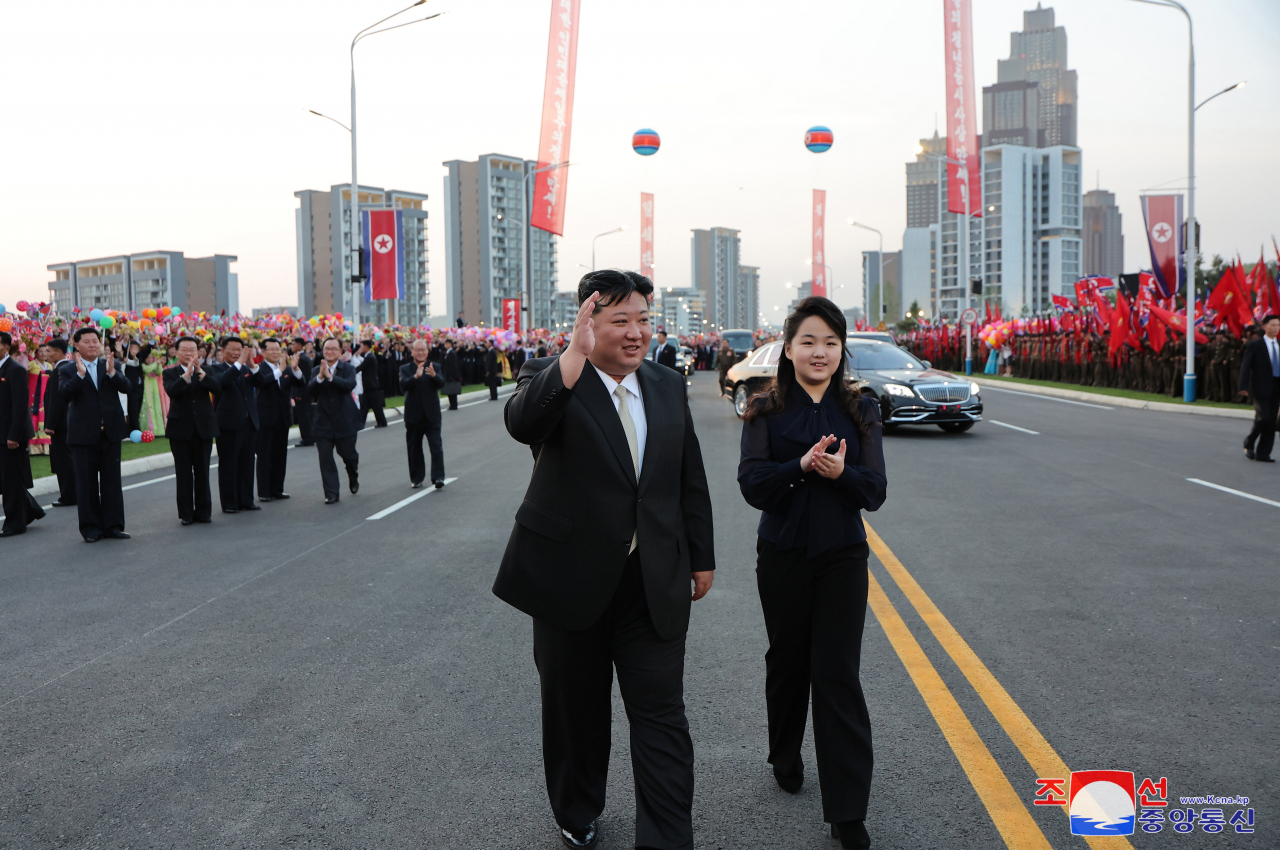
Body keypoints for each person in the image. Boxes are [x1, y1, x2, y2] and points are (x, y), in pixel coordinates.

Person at [493, 269, 716, 850]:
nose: (636, 332)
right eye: (621, 320)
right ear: (589, 323)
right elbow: (522, 423)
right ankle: (577, 809)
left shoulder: (667, 385)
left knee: (662, 721)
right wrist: (571, 359)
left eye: (643, 318)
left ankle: (666, 839)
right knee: (576, 717)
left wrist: (702, 556)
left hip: (651, 584)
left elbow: (687, 476)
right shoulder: (553, 378)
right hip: (571, 587)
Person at [737, 296, 887, 850]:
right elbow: (753, 485)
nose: (819, 352)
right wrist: (800, 468)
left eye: (830, 342)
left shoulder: (861, 408)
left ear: (841, 348)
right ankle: (784, 751)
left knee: (837, 673)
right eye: (808, 341)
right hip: (782, 554)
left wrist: (842, 474)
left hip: (843, 556)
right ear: (788, 347)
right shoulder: (764, 407)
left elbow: (874, 492)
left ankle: (847, 812)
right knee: (788, 660)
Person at [59, 327, 132, 542]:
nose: (92, 345)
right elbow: (64, 395)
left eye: (95, 341)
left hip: (110, 432)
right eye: (87, 341)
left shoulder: (111, 364)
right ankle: (91, 529)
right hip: (83, 435)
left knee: (112, 482)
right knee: (86, 483)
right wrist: (80, 375)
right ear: (77, 345)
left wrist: (112, 373)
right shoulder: (68, 369)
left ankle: (114, 526)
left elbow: (127, 387)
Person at [163, 336, 221, 525]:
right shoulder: (170, 373)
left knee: (203, 471)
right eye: (185, 350)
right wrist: (186, 375)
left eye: (193, 350)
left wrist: (200, 373)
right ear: (176, 352)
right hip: (180, 429)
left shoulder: (208, 370)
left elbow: (218, 388)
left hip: (203, 428)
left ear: (198, 352)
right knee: (184, 473)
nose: (189, 353)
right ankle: (186, 514)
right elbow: (172, 391)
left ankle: (204, 512)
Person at [211, 336, 269, 513]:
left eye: (240, 350)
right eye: (233, 349)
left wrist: (252, 364)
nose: (237, 353)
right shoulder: (215, 369)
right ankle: (229, 503)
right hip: (228, 424)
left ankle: (246, 500)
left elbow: (262, 383)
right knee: (229, 464)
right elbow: (223, 382)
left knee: (247, 463)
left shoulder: (246, 368)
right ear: (223, 351)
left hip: (249, 421)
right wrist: (240, 363)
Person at [0, 331, 45, 536]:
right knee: (8, 478)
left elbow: (20, 406)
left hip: (10, 434)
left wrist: (14, 435)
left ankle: (15, 523)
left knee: (10, 479)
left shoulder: (15, 370)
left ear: (6, 347)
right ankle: (31, 510)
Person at [309, 337, 360, 504]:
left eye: (333, 349)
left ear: (340, 352)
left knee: (349, 456)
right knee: (325, 459)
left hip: (344, 420)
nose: (329, 351)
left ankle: (353, 474)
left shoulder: (348, 368)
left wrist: (330, 377)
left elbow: (349, 385)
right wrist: (321, 378)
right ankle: (331, 493)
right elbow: (311, 390)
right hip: (323, 421)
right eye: (326, 349)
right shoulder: (317, 369)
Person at [256, 338, 302, 501]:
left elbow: (300, 383)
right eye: (272, 349)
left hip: (283, 418)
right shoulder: (258, 368)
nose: (276, 352)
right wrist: (279, 370)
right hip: (265, 418)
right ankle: (264, 491)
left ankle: (277, 488)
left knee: (280, 455)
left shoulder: (287, 369)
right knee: (264, 456)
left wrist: (295, 369)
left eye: (278, 349)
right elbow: (262, 383)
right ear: (263, 351)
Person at [400, 339, 445, 490]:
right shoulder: (405, 368)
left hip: (431, 415)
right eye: (417, 350)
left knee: (436, 447)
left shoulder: (434, 366)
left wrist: (433, 375)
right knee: (414, 449)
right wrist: (416, 377)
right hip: (413, 415)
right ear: (412, 352)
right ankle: (416, 478)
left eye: (423, 350)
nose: (420, 353)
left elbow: (441, 383)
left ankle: (438, 477)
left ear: (427, 352)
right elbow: (403, 385)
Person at [1239, 313, 1280, 462]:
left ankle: (1263, 454)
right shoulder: (1255, 345)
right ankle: (1249, 441)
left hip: (1276, 387)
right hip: (1260, 387)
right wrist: (1242, 386)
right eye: (1273, 325)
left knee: (1271, 422)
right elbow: (1246, 366)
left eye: (1278, 325)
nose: (1276, 328)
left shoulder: (1279, 344)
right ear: (1264, 326)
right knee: (1264, 417)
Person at [42, 338, 76, 508]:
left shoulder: (59, 371)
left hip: (61, 425)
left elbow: (56, 401)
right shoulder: (68, 368)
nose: (45, 354)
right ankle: (73, 493)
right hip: (69, 422)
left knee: (63, 461)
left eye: (49, 351)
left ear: (59, 352)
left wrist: (50, 424)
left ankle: (68, 495)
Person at [356, 340, 388, 428]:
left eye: (362, 346)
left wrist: (349, 371)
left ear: (366, 347)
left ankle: (382, 422)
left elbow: (360, 368)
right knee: (365, 405)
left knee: (375, 405)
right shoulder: (369, 356)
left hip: (371, 385)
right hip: (369, 385)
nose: (361, 348)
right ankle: (360, 423)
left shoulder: (370, 357)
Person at [291, 337, 315, 447]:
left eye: (294, 344)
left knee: (304, 416)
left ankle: (307, 438)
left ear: (300, 345)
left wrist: (299, 393)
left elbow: (304, 378)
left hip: (303, 393)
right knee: (304, 415)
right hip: (304, 392)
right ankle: (308, 436)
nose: (292, 345)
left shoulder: (302, 359)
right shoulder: (302, 357)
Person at [441, 339, 462, 410]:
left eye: (447, 344)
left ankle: (453, 405)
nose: (445, 345)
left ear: (450, 344)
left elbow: (453, 366)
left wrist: (451, 376)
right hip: (447, 375)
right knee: (449, 391)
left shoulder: (452, 353)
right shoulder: (448, 353)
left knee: (452, 391)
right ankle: (452, 405)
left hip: (451, 375)